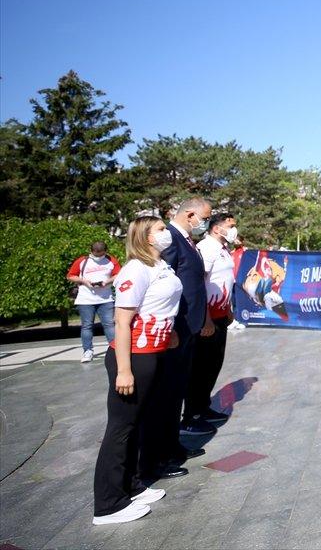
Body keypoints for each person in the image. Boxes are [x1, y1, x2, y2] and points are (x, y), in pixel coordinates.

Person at [92, 216, 181, 525]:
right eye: (160, 229)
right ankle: (108, 504)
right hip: (133, 358)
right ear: (145, 237)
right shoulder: (135, 269)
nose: (166, 232)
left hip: (154, 353)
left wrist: (170, 333)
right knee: (121, 428)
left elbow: (160, 307)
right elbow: (122, 322)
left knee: (137, 424)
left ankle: (131, 485)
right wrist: (124, 371)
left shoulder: (160, 266)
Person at [143, 196, 214, 480]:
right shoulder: (170, 238)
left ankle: (172, 445)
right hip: (176, 328)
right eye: (205, 217)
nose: (206, 222)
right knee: (167, 393)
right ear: (190, 214)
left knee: (176, 392)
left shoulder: (185, 239)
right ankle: (160, 454)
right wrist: (170, 324)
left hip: (187, 327)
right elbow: (165, 284)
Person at [182, 213, 237, 432]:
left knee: (213, 364)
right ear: (216, 228)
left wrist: (229, 309)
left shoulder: (223, 249)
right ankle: (190, 415)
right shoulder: (206, 248)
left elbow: (224, 281)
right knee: (201, 367)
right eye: (230, 225)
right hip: (208, 317)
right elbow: (199, 284)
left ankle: (202, 406)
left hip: (221, 314)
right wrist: (205, 318)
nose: (234, 229)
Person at [68, 241, 122, 363]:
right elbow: (71, 275)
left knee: (109, 324)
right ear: (91, 251)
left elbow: (119, 274)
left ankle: (115, 348)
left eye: (101, 254)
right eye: (96, 254)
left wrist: (106, 282)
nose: (98, 257)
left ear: (105, 251)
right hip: (86, 299)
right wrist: (84, 281)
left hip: (105, 298)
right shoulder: (83, 261)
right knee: (87, 325)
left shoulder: (110, 260)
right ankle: (87, 351)